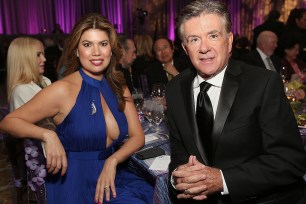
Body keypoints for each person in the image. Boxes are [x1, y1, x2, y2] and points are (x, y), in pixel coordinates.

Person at [0, 13, 153, 204]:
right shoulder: (63, 90)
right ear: (76, 51)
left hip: (114, 175)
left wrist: (113, 161)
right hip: (75, 183)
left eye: (103, 44)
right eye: (87, 44)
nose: (96, 52)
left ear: (112, 50)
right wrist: (48, 135)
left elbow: (138, 136)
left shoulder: (118, 87)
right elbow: (8, 122)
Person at [166, 1, 306, 204]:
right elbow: (179, 149)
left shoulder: (263, 83)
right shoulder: (175, 88)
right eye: (194, 39)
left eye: (213, 36)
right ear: (185, 49)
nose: (204, 48)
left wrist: (223, 180)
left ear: (229, 41)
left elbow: (290, 160)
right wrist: (177, 176)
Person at [5, 37, 52, 203]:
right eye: (38, 55)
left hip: (49, 151)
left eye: (43, 54)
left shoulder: (45, 81)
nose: (44, 59)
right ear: (24, 60)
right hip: (39, 157)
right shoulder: (21, 90)